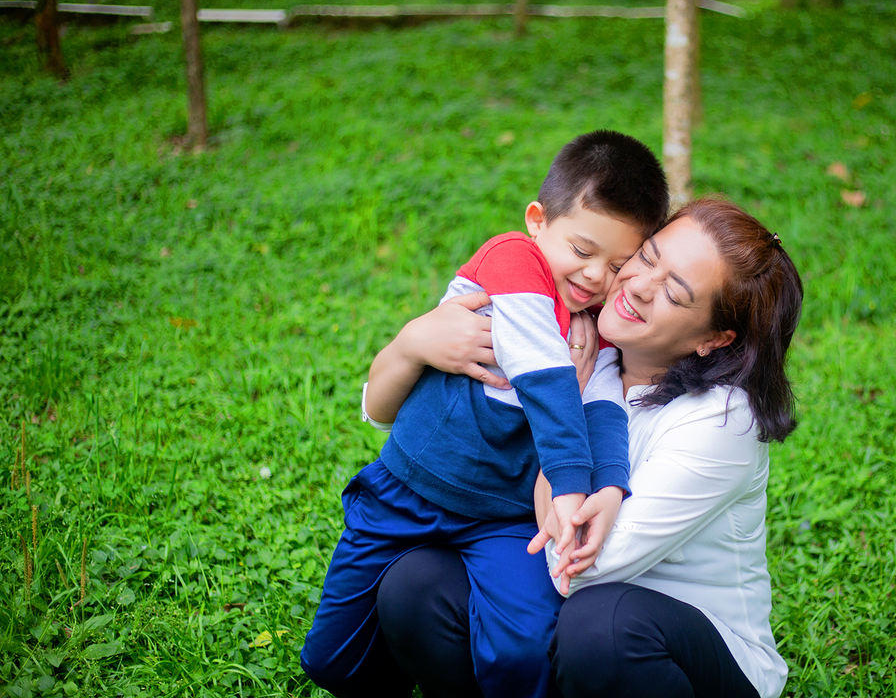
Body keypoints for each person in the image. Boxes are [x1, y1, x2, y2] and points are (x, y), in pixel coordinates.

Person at [373, 197, 803, 698]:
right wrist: (413, 342)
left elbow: (584, 565)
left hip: (679, 657)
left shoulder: (722, 421)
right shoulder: (570, 344)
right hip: (566, 628)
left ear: (713, 338)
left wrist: (559, 428)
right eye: (646, 258)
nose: (637, 286)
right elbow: (416, 430)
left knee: (603, 624)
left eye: (674, 293)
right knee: (417, 583)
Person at [300, 130, 670, 698]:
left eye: (617, 264)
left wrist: (611, 483)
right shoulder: (512, 260)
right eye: (581, 250)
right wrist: (571, 481)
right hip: (406, 490)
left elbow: (604, 410)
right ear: (538, 220)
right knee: (331, 660)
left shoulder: (597, 329)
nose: (596, 277)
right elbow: (544, 376)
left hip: (505, 518)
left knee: (522, 649)